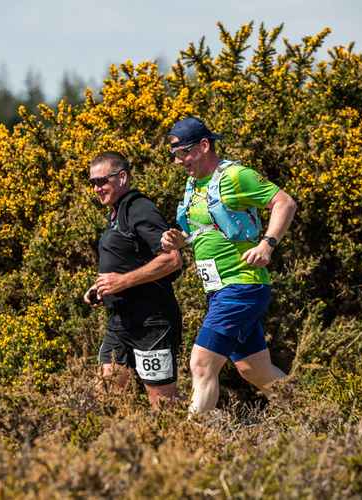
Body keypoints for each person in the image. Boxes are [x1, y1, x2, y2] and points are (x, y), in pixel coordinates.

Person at [160, 117, 297, 414]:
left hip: (241, 285)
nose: (178, 161)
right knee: (254, 370)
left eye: (183, 153)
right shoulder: (194, 185)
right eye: (174, 156)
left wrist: (267, 244)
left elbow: (284, 202)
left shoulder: (235, 176)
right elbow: (206, 229)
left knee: (201, 363)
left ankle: (190, 442)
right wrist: (179, 240)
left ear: (204, 146)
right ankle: (318, 414)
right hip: (219, 290)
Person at [84, 151, 183, 408]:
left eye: (102, 181)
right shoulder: (117, 211)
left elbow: (172, 259)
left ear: (123, 177)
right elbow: (128, 259)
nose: (96, 188)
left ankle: (179, 444)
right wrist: (100, 288)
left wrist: (122, 282)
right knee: (107, 390)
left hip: (152, 322)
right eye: (92, 183)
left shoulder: (140, 208)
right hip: (120, 320)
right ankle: (127, 444)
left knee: (163, 403)